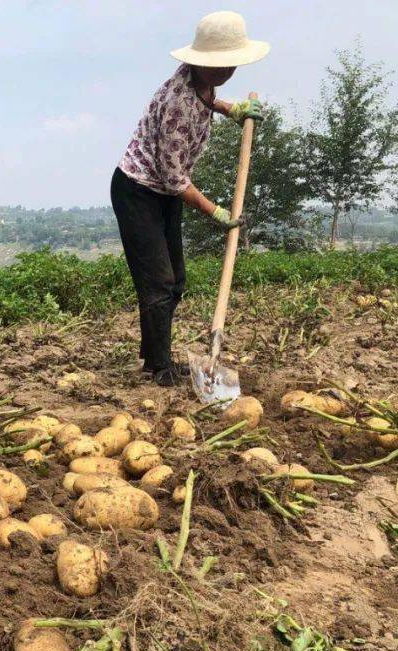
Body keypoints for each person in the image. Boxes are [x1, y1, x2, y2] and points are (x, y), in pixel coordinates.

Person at [111, 11, 269, 387]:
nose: (227, 71)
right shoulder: (178, 104)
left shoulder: (199, 79)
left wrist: (230, 109)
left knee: (175, 279)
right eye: (221, 66)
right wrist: (215, 211)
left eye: (229, 64)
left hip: (162, 191)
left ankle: (155, 355)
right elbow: (174, 178)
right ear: (205, 64)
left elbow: (206, 97)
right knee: (159, 281)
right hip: (139, 190)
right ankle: (158, 366)